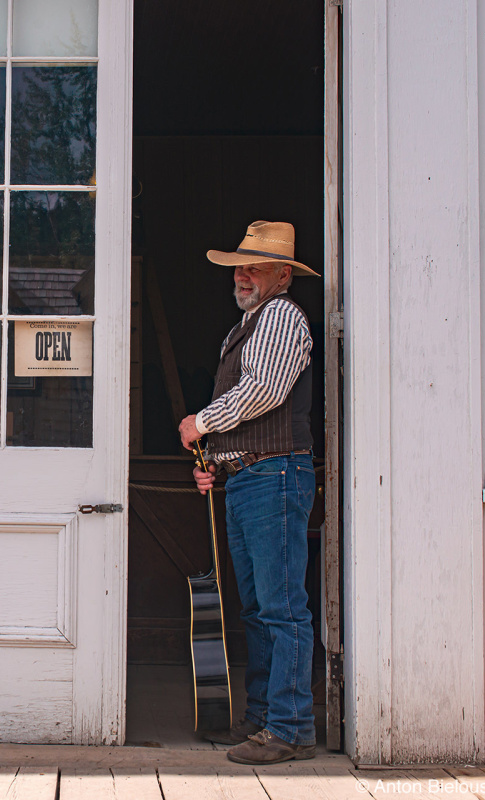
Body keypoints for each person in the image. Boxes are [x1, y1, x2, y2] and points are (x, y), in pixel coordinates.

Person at [177, 220, 319, 765]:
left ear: (282, 275)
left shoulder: (282, 317)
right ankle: (264, 719)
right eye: (239, 265)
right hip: (250, 477)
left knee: (282, 608)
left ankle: (290, 728)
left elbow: (262, 390)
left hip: (276, 475)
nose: (242, 275)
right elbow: (251, 408)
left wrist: (203, 422)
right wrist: (213, 461)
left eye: (254, 266)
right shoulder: (247, 327)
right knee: (260, 608)